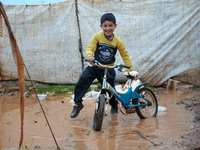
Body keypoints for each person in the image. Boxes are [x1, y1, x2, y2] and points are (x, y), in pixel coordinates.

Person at [70, 13, 135, 118]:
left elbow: (125, 54)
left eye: (110, 25)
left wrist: (130, 69)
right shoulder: (97, 37)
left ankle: (114, 105)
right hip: (94, 67)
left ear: (115, 26)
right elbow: (90, 48)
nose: (108, 28)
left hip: (108, 69)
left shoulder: (118, 41)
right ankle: (77, 104)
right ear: (101, 26)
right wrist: (90, 55)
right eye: (105, 26)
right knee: (82, 80)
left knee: (111, 91)